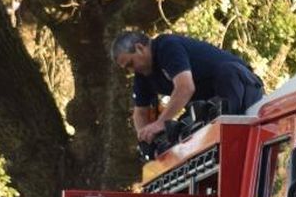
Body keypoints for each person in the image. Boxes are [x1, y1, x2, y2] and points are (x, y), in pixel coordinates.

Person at [109, 30, 264, 145]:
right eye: (126, 68)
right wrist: (145, 138)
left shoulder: (166, 46)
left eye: (130, 64)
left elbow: (185, 87)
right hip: (210, 101)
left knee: (226, 74)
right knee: (181, 130)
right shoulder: (143, 74)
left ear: (140, 48)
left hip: (240, 85)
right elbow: (140, 113)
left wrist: (160, 123)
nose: (131, 70)